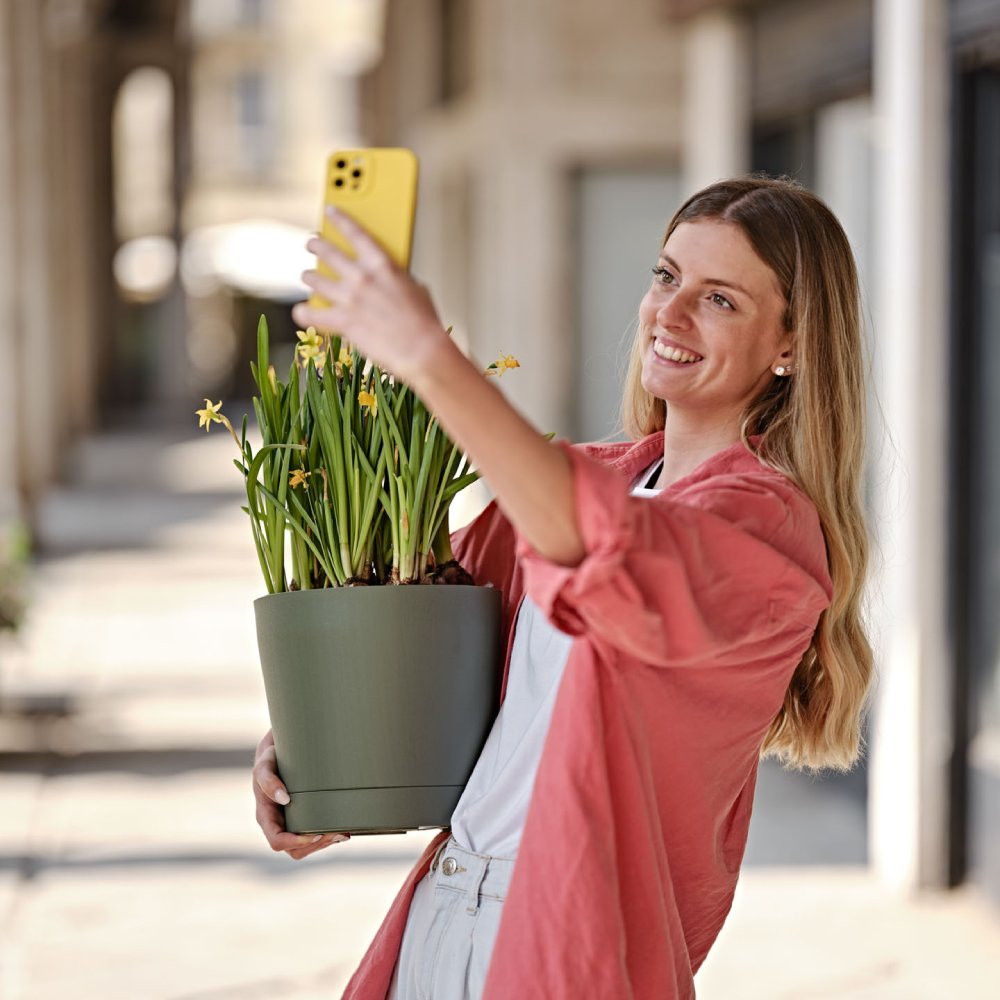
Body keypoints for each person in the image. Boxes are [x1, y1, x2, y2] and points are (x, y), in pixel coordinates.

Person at [252, 175, 874, 999]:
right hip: (441, 914)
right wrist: (307, 751)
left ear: (791, 345)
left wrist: (425, 357)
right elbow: (405, 623)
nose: (671, 313)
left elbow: (604, 548)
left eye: (719, 299)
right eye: (666, 277)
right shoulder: (589, 477)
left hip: (569, 946)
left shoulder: (764, 532)